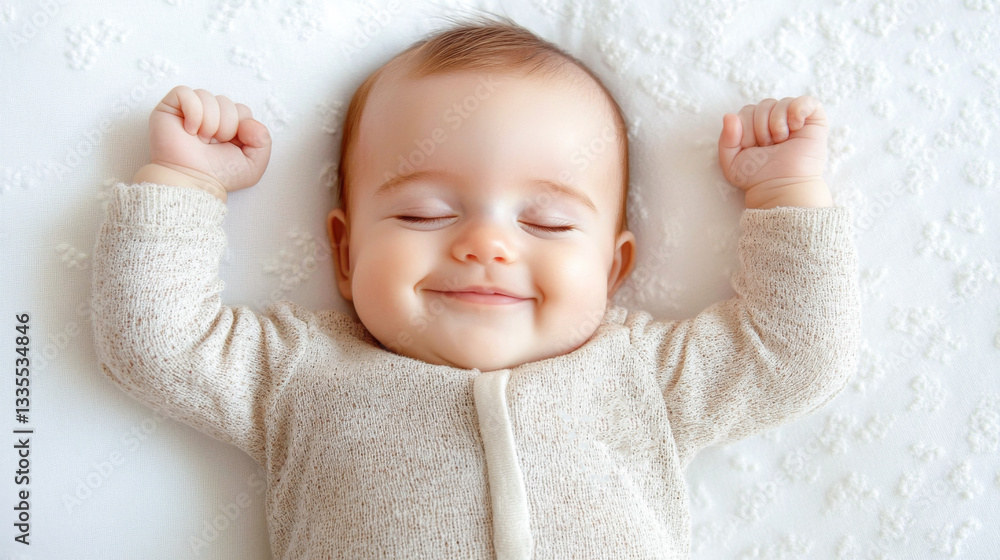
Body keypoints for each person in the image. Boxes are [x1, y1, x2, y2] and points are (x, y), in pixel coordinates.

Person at [91, 15, 859, 559]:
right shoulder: (301, 372)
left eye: (550, 223)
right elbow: (157, 342)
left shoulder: (645, 376)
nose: (486, 244)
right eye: (425, 211)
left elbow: (791, 354)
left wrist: (784, 193)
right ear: (346, 252)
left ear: (614, 269)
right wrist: (185, 180)